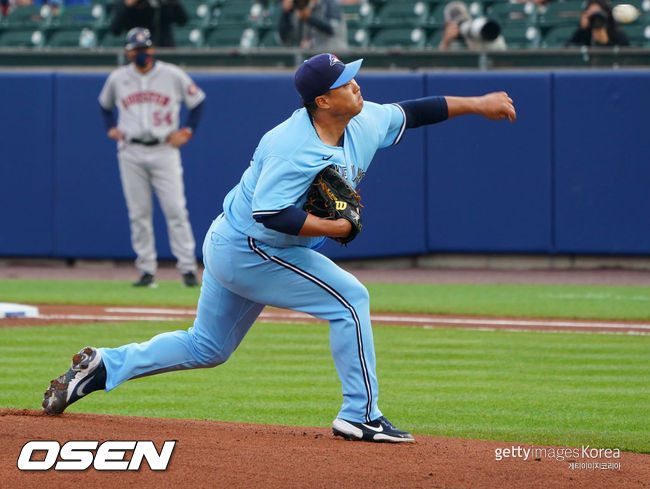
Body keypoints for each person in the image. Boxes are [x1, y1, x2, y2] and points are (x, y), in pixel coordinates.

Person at [43, 53, 516, 443]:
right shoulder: (292, 145)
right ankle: (361, 414)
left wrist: (480, 103)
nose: (357, 85)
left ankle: (105, 366)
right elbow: (270, 213)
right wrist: (337, 230)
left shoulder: (363, 119)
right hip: (253, 246)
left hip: (236, 242)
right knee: (351, 300)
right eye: (346, 82)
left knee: (207, 346)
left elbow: (416, 112)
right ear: (322, 100)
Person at [97, 27, 205, 288]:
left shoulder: (171, 74)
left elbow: (198, 101)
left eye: (144, 49)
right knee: (139, 213)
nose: (140, 54)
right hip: (131, 150)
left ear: (152, 49)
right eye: (135, 49)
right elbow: (104, 105)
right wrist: (110, 127)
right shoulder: (118, 78)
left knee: (175, 209)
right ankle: (146, 270)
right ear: (127, 52)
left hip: (163, 147)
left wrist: (187, 131)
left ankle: (188, 269)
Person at [109, 0, 187, 48]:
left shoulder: (161, 3)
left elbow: (182, 21)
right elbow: (115, 30)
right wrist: (127, 5)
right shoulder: (123, 4)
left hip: (163, 48)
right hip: (136, 48)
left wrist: (174, 3)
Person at [279, 0, 348, 50]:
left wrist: (310, 17)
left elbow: (332, 29)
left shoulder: (331, 4)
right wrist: (286, 13)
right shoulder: (301, 8)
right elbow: (285, 39)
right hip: (310, 56)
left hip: (335, 54)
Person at [439, 0, 506, 51]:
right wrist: (445, 42)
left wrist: (485, 35)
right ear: (447, 25)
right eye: (458, 24)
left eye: (464, 21)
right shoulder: (450, 41)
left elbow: (502, 54)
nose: (462, 26)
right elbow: (439, 65)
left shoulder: (478, 30)